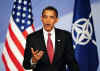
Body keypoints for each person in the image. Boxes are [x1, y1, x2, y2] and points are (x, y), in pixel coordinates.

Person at [23, 6, 80, 71]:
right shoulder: (32, 38)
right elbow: (26, 65)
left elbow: (71, 62)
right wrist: (34, 60)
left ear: (56, 20)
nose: (48, 20)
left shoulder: (65, 36)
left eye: (51, 17)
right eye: (45, 17)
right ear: (41, 19)